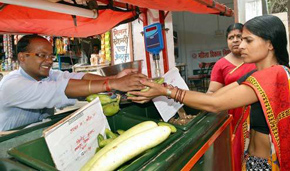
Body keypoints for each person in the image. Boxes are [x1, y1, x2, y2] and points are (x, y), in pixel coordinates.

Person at [129, 15, 290, 170]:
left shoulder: (275, 75)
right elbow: (214, 97)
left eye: (248, 40)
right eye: (241, 40)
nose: (241, 46)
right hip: (252, 160)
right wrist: (164, 88)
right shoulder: (256, 74)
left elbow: (215, 104)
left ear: (270, 44)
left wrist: (166, 91)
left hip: (267, 164)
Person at [0, 34, 147, 131]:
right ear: (22, 57)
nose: (49, 61)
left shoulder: (48, 75)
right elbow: (59, 89)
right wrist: (113, 84)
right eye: (42, 55)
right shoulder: (12, 85)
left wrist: (116, 78)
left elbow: (77, 77)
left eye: (51, 56)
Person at [207, 23, 256, 171]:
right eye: (230, 37)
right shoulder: (220, 65)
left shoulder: (256, 59)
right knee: (233, 158)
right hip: (232, 120)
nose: (235, 40)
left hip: (256, 117)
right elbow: (212, 94)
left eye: (239, 36)